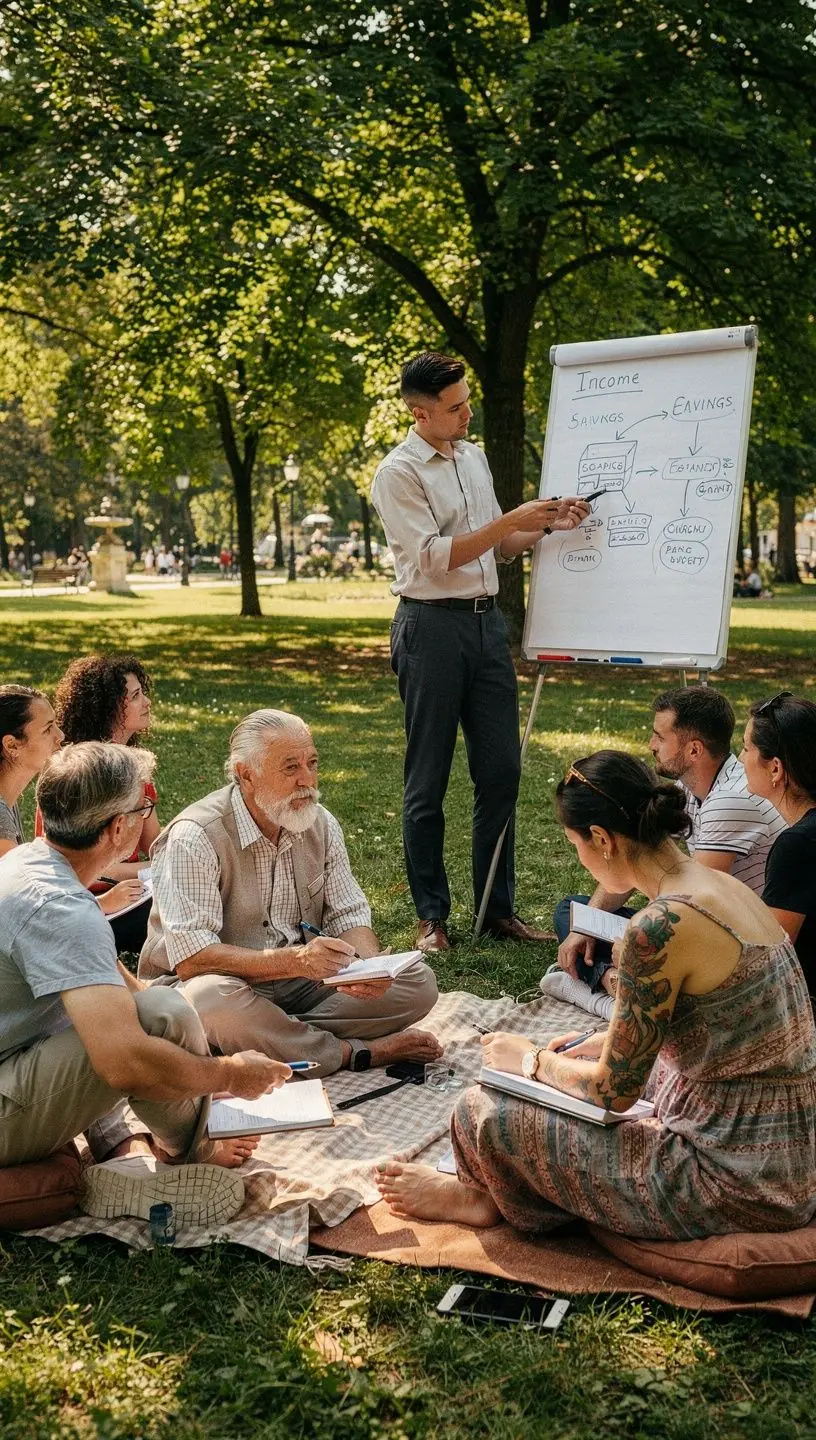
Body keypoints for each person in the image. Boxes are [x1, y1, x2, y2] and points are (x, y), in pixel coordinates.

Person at [377, 750, 816, 1239]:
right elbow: (726, 1028)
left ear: (603, 840)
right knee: (563, 1073)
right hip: (790, 1157)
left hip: (733, 1180)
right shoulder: (719, 886)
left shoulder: (658, 928)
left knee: (480, 1111)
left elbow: (613, 1091)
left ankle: (480, 1196)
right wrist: (610, 1039)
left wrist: (532, 1060)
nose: (579, 858)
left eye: (574, 845)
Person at [0, 742, 290, 1225]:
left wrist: (199, 1070)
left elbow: (111, 980)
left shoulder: (29, 867)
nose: (146, 818)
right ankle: (190, 1153)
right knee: (161, 1019)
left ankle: (152, 1138)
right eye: (144, 808)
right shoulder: (63, 908)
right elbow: (125, 1061)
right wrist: (230, 1075)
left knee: (159, 1007)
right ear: (119, 828)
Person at [371, 350, 590, 954]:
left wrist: (547, 524)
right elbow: (436, 556)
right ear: (420, 412)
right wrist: (509, 521)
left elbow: (502, 546)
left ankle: (497, 911)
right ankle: (432, 917)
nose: (467, 413)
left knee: (501, 771)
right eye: (454, 407)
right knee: (428, 777)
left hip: (485, 628)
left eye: (467, 400)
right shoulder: (399, 473)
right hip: (430, 629)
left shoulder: (474, 457)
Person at [139, 709, 442, 1076]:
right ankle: (354, 1053)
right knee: (209, 1002)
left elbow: (348, 914)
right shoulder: (195, 836)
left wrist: (366, 970)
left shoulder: (320, 823)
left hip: (301, 988)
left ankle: (270, 1038)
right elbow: (193, 959)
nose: (307, 780)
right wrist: (296, 961)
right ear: (245, 774)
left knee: (419, 983)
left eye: (312, 764)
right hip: (220, 984)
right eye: (290, 768)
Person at [544, 686, 788, 1013]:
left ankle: (609, 987)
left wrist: (535, 1060)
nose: (651, 745)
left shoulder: (729, 801)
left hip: (725, 942)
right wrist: (587, 925)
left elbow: (692, 910)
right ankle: (610, 979)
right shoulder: (685, 788)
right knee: (574, 911)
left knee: (627, 938)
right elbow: (645, 862)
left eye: (660, 736)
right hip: (715, 931)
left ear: (694, 750)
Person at [50, 655, 161, 952]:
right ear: (108, 707)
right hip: (92, 903)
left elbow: (157, 845)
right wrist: (155, 871)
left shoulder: (137, 770)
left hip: (139, 892)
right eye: (135, 696)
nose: (147, 702)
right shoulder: (75, 775)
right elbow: (69, 865)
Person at [741, 693, 816, 1006]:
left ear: (775, 769)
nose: (740, 757)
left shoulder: (798, 845)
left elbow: (770, 963)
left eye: (746, 748)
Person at [0, 685, 64, 855]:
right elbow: (12, 882)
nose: (60, 736)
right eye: (48, 728)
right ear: (12, 745)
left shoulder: (7, 802)